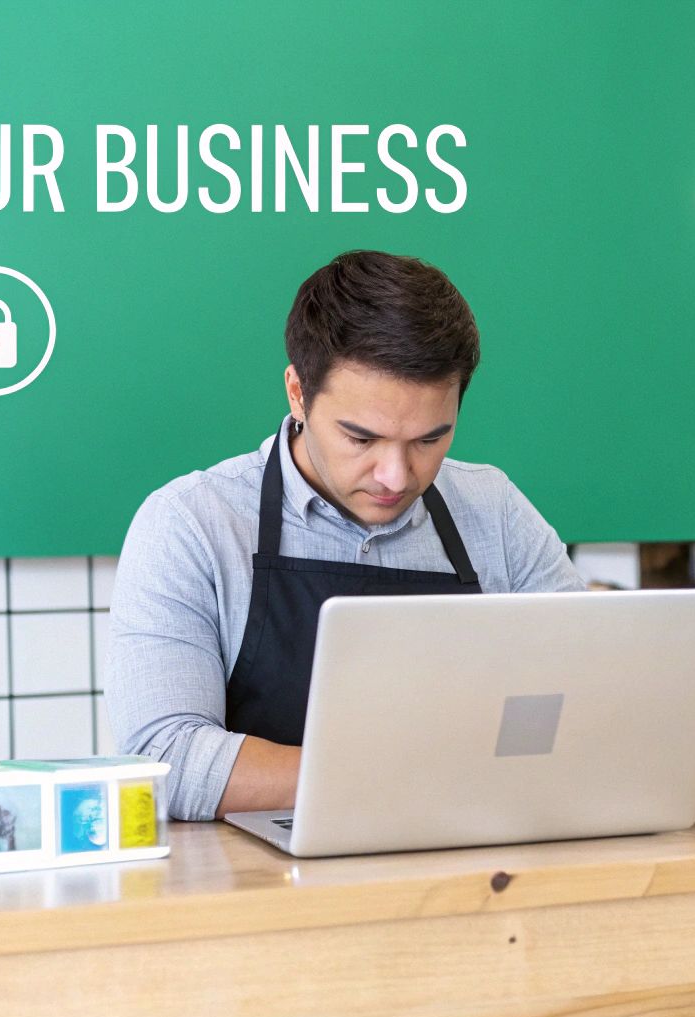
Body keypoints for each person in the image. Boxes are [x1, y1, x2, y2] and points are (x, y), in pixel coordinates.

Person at [107, 250, 586, 821]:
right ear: (297, 393)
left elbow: (588, 693)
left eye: (430, 440)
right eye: (361, 439)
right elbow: (163, 761)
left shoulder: (495, 511)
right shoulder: (191, 524)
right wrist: (410, 774)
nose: (396, 475)